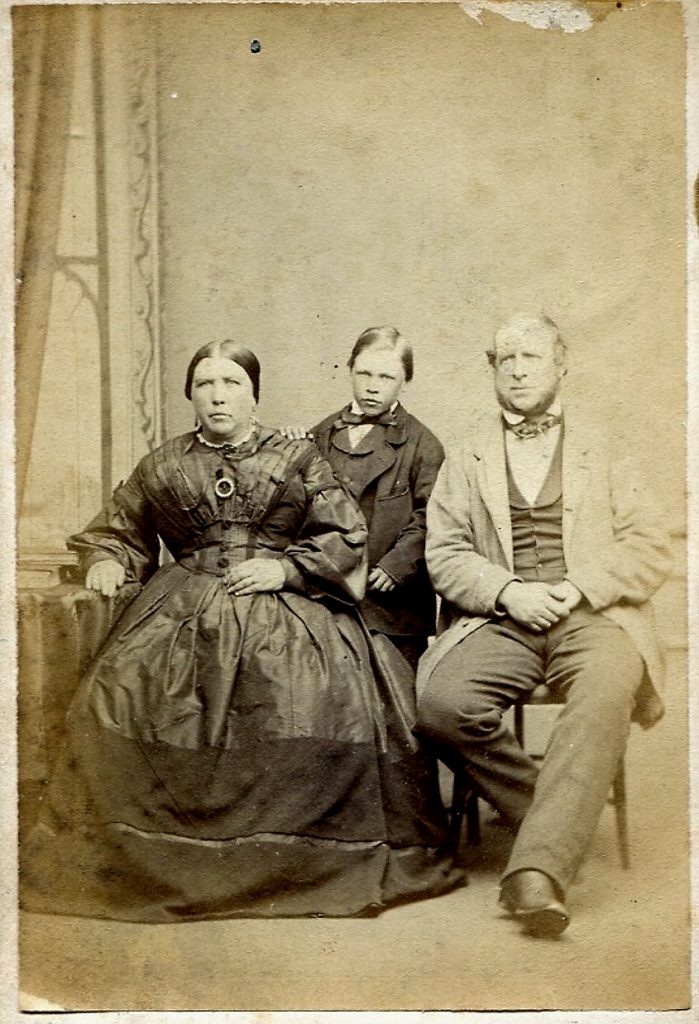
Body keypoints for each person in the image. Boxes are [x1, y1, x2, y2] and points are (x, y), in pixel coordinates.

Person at [22, 339, 462, 923]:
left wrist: (283, 567)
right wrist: (108, 558)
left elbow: (345, 531)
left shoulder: (299, 459)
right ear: (191, 395)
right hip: (179, 609)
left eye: (232, 384)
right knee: (119, 692)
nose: (218, 395)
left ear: (254, 396)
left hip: (281, 600)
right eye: (206, 384)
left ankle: (293, 856)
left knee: (313, 695)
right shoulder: (165, 462)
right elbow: (120, 527)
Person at [415, 313, 672, 937]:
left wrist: (577, 586)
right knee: (442, 703)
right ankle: (557, 822)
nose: (519, 369)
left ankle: (537, 874)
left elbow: (650, 544)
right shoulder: (468, 453)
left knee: (608, 687)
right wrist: (507, 590)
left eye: (531, 357)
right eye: (507, 359)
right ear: (492, 370)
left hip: (593, 615)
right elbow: (444, 554)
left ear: (562, 363)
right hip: (503, 621)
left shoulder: (605, 446)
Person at [308, 326, 444, 673]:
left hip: (392, 608)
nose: (372, 385)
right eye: (364, 373)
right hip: (328, 597)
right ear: (349, 369)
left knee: (393, 707)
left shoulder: (423, 445)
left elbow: (433, 516)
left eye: (386, 376)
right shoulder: (320, 435)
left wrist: (397, 565)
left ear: (404, 381)